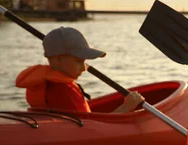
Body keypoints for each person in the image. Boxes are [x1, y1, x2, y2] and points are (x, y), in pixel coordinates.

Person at [15, 27, 143, 113]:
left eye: (84, 61)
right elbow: (92, 130)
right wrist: (127, 107)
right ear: (57, 59)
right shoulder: (62, 92)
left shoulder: (53, 85)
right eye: (78, 61)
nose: (84, 68)